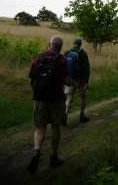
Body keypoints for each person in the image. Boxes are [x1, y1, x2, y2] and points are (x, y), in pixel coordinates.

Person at [27, 35, 68, 174]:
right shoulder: (62, 59)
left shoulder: (38, 57)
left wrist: (36, 93)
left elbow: (30, 80)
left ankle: (37, 151)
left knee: (40, 128)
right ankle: (53, 157)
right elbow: (67, 80)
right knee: (55, 127)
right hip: (56, 99)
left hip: (40, 98)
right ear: (60, 47)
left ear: (48, 44)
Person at [64, 37, 91, 123]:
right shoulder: (83, 53)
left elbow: (63, 66)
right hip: (80, 79)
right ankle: (81, 116)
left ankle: (64, 116)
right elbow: (86, 68)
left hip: (69, 78)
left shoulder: (67, 52)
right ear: (80, 44)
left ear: (73, 43)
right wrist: (86, 81)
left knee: (69, 97)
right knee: (82, 96)